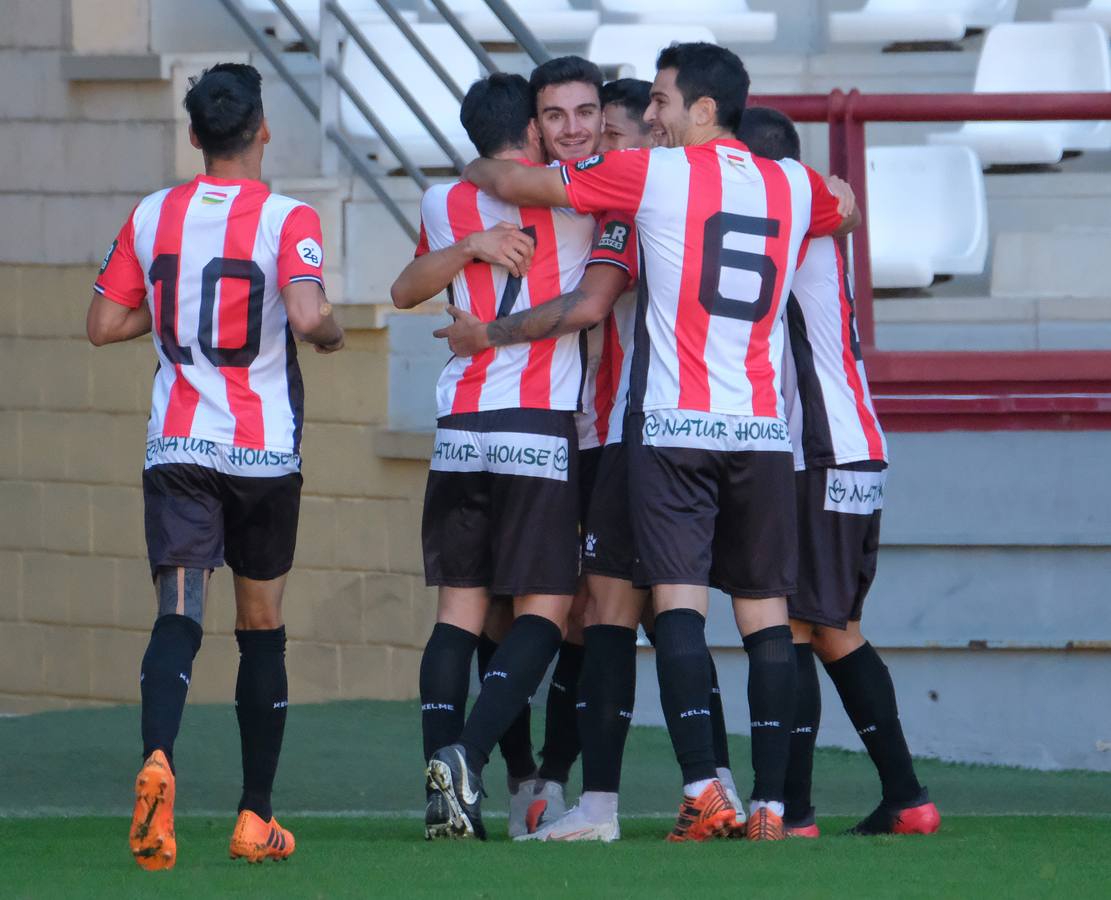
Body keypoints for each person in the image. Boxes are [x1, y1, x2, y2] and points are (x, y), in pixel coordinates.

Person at [453, 41, 858, 842]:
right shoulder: (790, 184)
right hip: (762, 431)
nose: (650, 119)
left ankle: (697, 786)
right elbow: (839, 208)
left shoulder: (651, 176)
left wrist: (479, 169)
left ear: (702, 110)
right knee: (765, 615)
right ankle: (772, 804)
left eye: (661, 104)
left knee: (662, 602)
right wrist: (840, 195)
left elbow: (522, 190)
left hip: (667, 426)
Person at [443, 77, 741, 843]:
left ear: (647, 134)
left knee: (611, 610)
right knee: (617, 610)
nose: (594, 145)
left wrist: (489, 336)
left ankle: (613, 799)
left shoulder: (634, 207)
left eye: (608, 132)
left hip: (630, 433)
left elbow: (587, 308)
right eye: (578, 126)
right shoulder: (677, 197)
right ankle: (654, 788)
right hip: (640, 430)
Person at [86, 62, 344, 870]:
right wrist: (330, 332)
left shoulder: (154, 212)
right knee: (261, 629)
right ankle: (253, 818)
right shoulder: (287, 217)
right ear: (264, 128)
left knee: (179, 615)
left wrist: (170, 318)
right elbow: (306, 314)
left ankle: (159, 758)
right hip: (262, 453)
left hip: (179, 446)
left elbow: (102, 322)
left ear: (194, 136)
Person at [391, 72, 597, 841]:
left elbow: (405, 288)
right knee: (545, 608)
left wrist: (469, 245)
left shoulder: (444, 202)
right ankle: (467, 760)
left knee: (459, 614)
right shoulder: (576, 197)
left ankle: (441, 796)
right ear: (535, 132)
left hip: (458, 423)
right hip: (535, 424)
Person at [738, 107, 941, 838]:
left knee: (803, 627)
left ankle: (801, 809)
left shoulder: (783, 222)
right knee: (825, 626)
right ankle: (898, 799)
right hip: (852, 445)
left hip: (813, 452)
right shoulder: (812, 225)